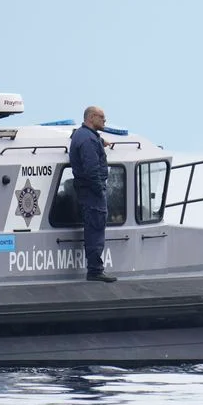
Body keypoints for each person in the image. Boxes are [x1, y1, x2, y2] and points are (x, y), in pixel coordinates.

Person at [69, 105, 117, 282]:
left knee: (94, 228)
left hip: (86, 190)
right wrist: (99, 190)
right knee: (95, 230)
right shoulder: (88, 140)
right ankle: (95, 270)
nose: (105, 120)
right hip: (92, 192)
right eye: (101, 117)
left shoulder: (83, 135)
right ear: (91, 118)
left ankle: (95, 269)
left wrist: (100, 140)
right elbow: (91, 169)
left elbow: (83, 138)